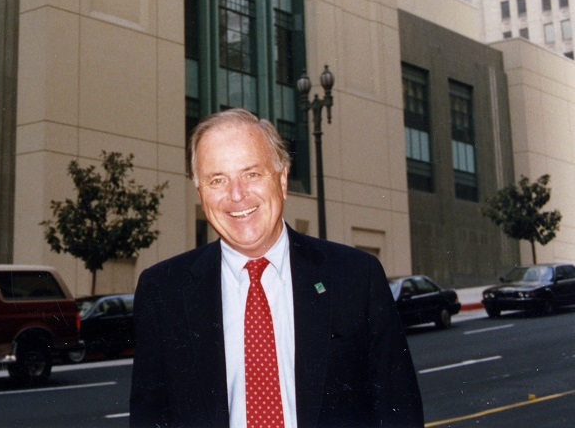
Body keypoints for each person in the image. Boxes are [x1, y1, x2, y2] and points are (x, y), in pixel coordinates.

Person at [129, 108, 424, 428]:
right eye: (217, 180)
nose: (237, 195)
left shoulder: (355, 277)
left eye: (252, 174)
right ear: (201, 193)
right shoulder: (163, 292)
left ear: (282, 179)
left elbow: (399, 411)